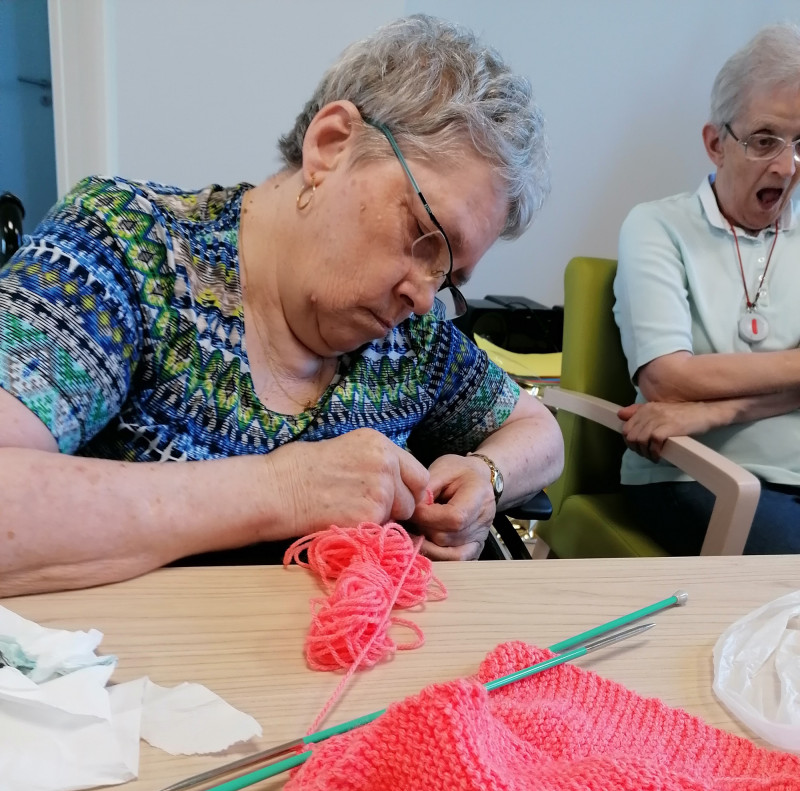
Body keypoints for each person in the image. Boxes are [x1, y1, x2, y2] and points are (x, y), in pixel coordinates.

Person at [0, 14, 563, 595]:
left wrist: (485, 476)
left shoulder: (410, 343)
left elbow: (537, 428)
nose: (423, 298)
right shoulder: (126, 247)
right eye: (423, 233)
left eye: (448, 277)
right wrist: (284, 490)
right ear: (331, 146)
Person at [613, 23, 800, 555]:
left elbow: (690, 391)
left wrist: (714, 409)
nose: (787, 167)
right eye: (765, 140)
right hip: (696, 476)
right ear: (716, 144)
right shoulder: (656, 225)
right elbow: (667, 380)